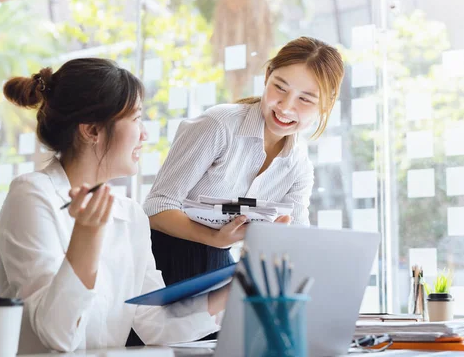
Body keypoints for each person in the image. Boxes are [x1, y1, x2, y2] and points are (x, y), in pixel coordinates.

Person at [0, 58, 226, 353]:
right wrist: (86, 235)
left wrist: (235, 292)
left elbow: (155, 321)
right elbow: (57, 335)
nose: (144, 134)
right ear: (92, 131)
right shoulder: (31, 196)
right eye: (136, 119)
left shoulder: (131, 215)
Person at [144, 36, 345, 285]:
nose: (285, 106)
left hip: (217, 274)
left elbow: (296, 238)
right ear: (267, 76)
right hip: (160, 265)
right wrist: (214, 238)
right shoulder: (218, 126)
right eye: (280, 88)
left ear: (325, 105)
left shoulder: (299, 165)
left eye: (305, 99)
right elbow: (156, 208)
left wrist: (279, 240)